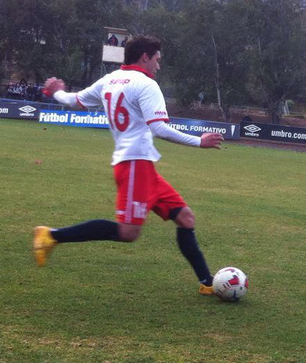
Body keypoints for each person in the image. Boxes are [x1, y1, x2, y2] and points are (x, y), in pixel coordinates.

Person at [34, 35, 224, 296]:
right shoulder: (146, 85)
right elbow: (159, 128)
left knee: (185, 218)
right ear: (145, 57)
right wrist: (198, 141)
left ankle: (207, 283)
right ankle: (51, 236)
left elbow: (74, 100)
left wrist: (55, 90)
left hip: (141, 165)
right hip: (135, 165)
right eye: (157, 60)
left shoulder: (109, 80)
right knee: (128, 232)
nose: (158, 66)